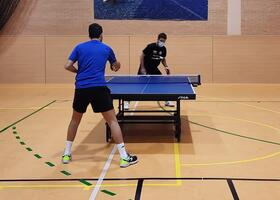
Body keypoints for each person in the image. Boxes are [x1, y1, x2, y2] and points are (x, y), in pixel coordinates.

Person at [62, 23, 138, 168]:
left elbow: (67, 65)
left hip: (81, 88)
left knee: (75, 120)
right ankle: (123, 158)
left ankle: (66, 154)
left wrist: (78, 72)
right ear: (101, 35)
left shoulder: (79, 47)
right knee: (112, 121)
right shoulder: (106, 48)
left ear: (89, 34)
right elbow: (115, 67)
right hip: (99, 88)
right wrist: (117, 64)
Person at [124, 33, 174, 110]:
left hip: (154, 68)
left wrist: (166, 66)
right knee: (138, 86)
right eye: (161, 40)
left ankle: (167, 100)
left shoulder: (163, 49)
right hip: (145, 68)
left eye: (164, 41)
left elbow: (163, 59)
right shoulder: (151, 46)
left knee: (162, 83)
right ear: (157, 39)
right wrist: (143, 68)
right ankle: (127, 102)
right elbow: (142, 56)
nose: (162, 42)